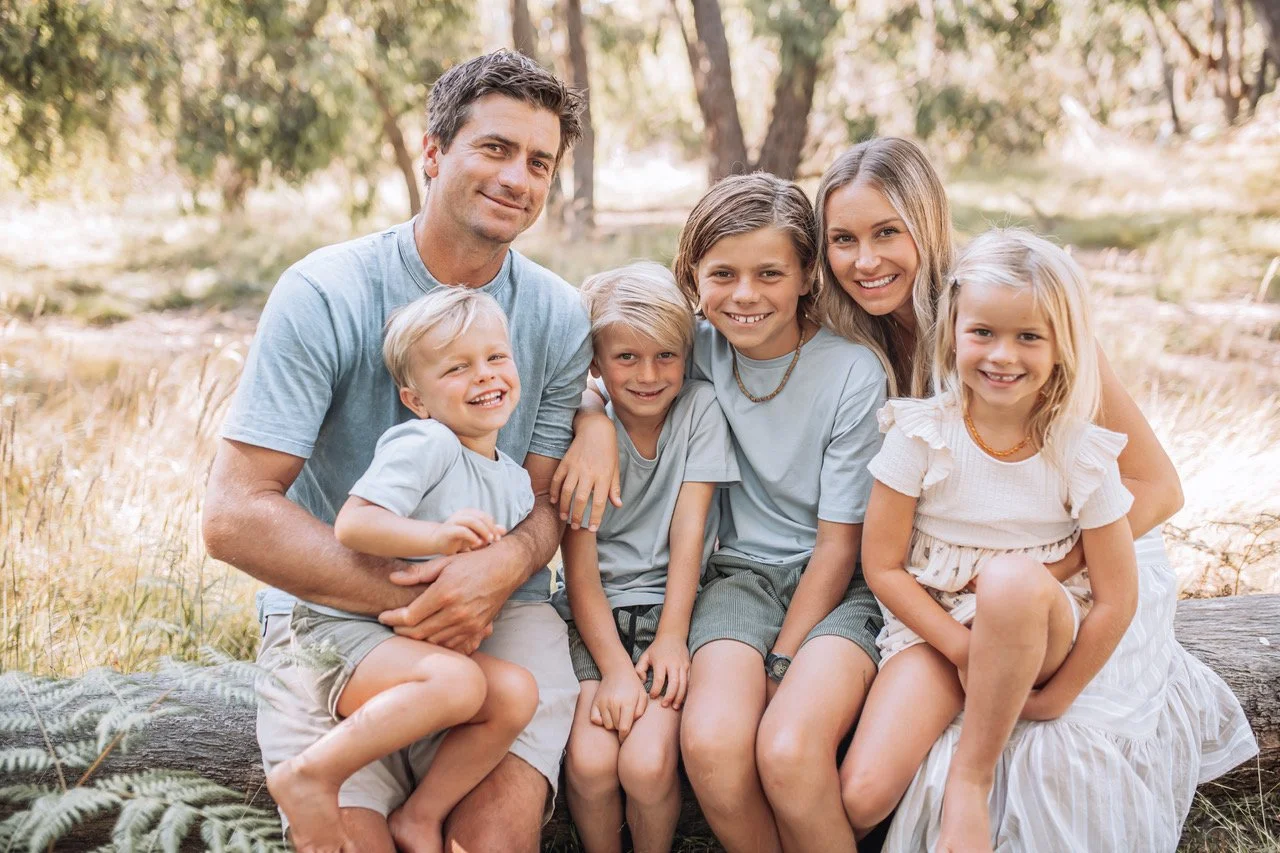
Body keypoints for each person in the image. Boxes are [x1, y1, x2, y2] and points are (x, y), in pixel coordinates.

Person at [203, 50, 597, 853]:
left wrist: (495, 571)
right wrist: (421, 594)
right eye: (494, 148)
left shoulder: (558, 315)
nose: (517, 177)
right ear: (432, 153)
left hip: (504, 605)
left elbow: (544, 497)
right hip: (328, 603)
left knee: (492, 836)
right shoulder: (326, 292)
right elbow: (234, 515)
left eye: (538, 162)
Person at [817, 140, 1257, 850]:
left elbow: (1159, 485)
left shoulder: (1012, 305)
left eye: (887, 233)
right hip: (940, 578)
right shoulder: (844, 338)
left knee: (1048, 743)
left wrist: (1051, 566)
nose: (865, 260)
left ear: (926, 225)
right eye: (844, 239)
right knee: (864, 787)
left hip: (1065, 562)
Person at [268, 288, 540, 853]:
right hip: (339, 633)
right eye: (457, 367)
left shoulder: (513, 480)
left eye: (496, 357)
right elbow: (354, 525)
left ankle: (420, 816)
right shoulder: (428, 441)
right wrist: (435, 537)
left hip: (400, 644)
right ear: (416, 399)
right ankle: (310, 774)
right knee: (460, 683)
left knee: (514, 694)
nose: (484, 376)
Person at [556, 262, 738, 853]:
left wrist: (671, 638)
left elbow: (692, 534)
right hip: (595, 616)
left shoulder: (700, 410)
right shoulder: (582, 432)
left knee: (645, 762)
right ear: (595, 363)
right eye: (625, 358)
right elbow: (579, 566)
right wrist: (612, 669)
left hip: (673, 610)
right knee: (588, 764)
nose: (648, 375)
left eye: (666, 356)